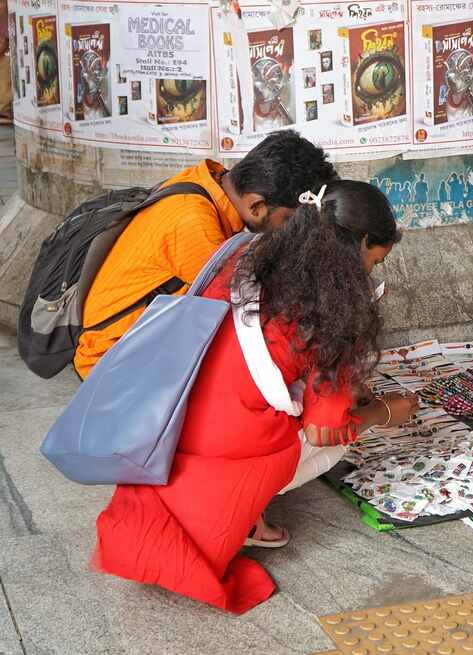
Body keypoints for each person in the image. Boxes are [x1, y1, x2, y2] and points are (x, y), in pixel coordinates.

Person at [93, 180, 418, 614]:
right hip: (231, 448)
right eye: (375, 261)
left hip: (170, 425)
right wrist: (384, 412)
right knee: (340, 436)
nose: (371, 274)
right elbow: (324, 431)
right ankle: (247, 507)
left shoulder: (249, 257)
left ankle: (250, 509)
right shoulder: (333, 312)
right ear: (360, 244)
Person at [74, 130, 337, 379]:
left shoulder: (208, 182)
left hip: (138, 342)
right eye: (289, 220)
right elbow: (244, 315)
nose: (290, 229)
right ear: (256, 205)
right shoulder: (195, 223)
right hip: (110, 361)